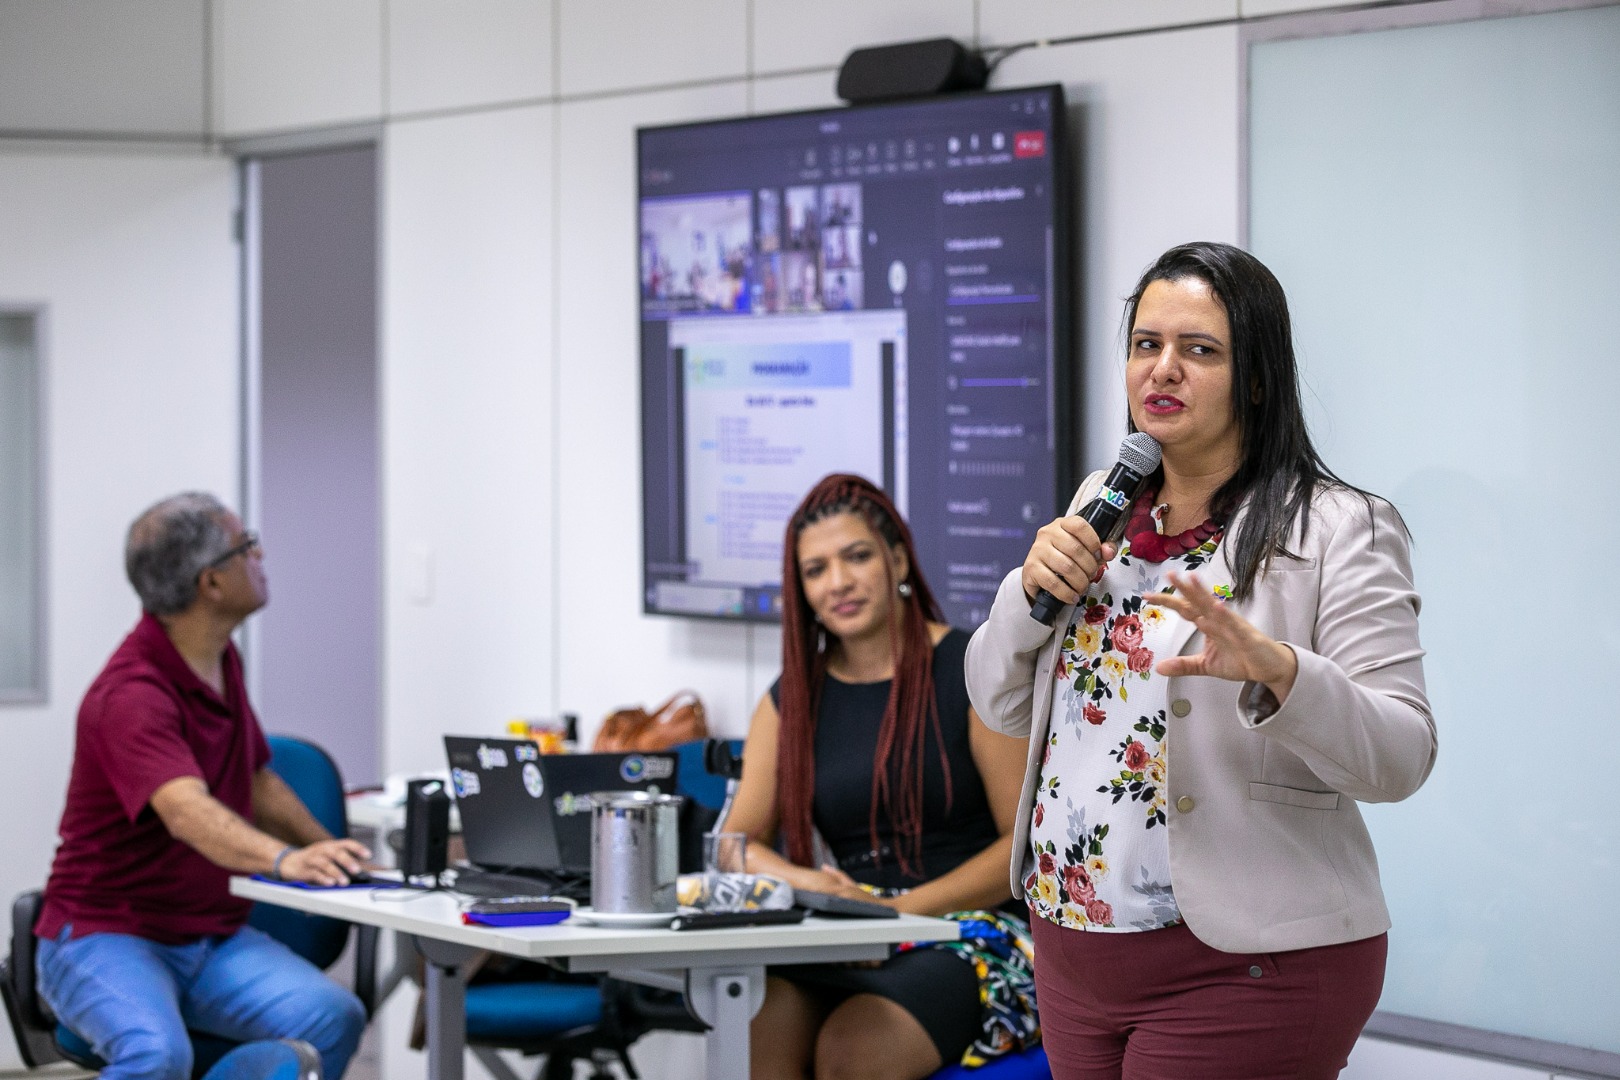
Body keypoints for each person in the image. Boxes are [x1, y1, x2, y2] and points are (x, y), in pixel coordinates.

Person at [965, 241, 1437, 1080]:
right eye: (1147, 345)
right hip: (1074, 953)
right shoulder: (1098, 503)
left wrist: (1282, 672)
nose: (1163, 370)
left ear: (1255, 376)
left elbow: (1401, 755)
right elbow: (998, 704)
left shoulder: (1339, 528)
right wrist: (1023, 590)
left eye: (1199, 350)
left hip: (1250, 963)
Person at [34, 493, 370, 1080]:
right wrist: (285, 860)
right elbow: (186, 811)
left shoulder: (218, 659)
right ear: (211, 583)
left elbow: (257, 779)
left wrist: (332, 855)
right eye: (247, 547)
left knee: (333, 1016)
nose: (261, 555)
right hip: (101, 934)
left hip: (207, 938)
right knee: (157, 1056)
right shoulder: (132, 694)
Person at [726, 474, 1038, 1080]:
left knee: (854, 1049)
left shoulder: (972, 669)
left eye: (857, 556)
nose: (837, 582)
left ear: (896, 557)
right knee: (755, 1031)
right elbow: (735, 848)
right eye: (815, 570)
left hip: (970, 928)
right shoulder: (790, 699)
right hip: (841, 933)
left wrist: (894, 919)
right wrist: (813, 888)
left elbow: (1020, 849)